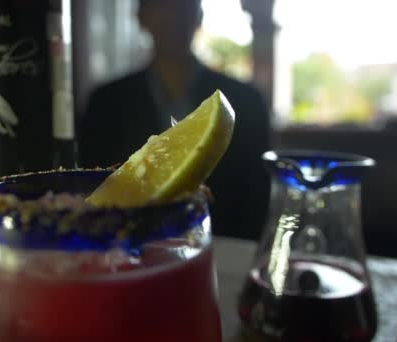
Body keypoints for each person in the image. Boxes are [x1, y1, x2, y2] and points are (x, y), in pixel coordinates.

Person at [79, 0, 270, 240]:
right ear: (141, 17)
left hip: (221, 255)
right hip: (127, 251)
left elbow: (258, 198)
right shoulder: (106, 102)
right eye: (162, 5)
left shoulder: (245, 102)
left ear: (198, 15)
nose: (174, 15)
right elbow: (90, 186)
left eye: (184, 5)